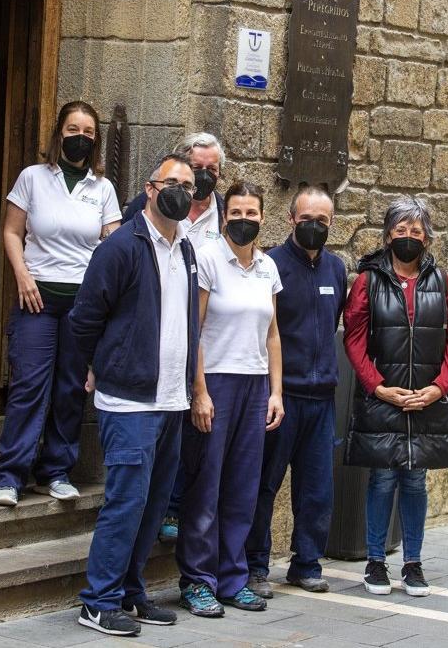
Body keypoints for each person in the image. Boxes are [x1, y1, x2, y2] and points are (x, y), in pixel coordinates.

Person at [69, 153, 200, 637]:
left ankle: (129, 592)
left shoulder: (185, 248)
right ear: (150, 188)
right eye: (173, 183)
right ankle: (98, 601)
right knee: (126, 501)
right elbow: (85, 318)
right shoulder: (121, 247)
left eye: (189, 185)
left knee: (153, 502)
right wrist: (90, 366)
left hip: (171, 399)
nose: (182, 192)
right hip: (129, 401)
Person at [0, 101, 121, 507]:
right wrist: (23, 276)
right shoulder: (33, 177)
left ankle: (55, 471)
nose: (80, 137)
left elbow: (111, 245)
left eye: (88, 132)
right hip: (37, 299)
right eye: (72, 129)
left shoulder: (102, 188)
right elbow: (12, 232)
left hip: (82, 306)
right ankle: (10, 476)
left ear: (95, 140)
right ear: (58, 133)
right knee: (29, 384)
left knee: (69, 389)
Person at [343, 197, 448, 597]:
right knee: (381, 479)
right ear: (388, 234)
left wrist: (438, 387)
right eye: (401, 230)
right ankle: (375, 562)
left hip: (425, 400)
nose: (408, 238)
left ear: (427, 237)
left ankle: (413, 563)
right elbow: (356, 339)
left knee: (415, 480)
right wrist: (377, 386)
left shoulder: (443, 282)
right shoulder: (368, 281)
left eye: (416, 231)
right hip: (384, 397)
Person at [176, 181, 285, 618]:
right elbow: (193, 329)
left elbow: (273, 334)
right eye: (236, 213)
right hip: (215, 384)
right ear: (225, 217)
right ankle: (198, 581)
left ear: (262, 218)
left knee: (242, 487)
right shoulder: (207, 260)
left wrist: (276, 392)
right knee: (206, 485)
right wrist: (198, 390)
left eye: (251, 214)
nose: (243, 220)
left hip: (255, 384)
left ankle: (232, 578)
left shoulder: (267, 267)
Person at [245, 185, 347, 599]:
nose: (314, 227)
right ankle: (254, 566)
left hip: (322, 399)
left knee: (316, 489)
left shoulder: (337, 269)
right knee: (264, 485)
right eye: (306, 219)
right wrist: (274, 391)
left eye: (322, 221)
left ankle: (306, 563)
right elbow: (263, 332)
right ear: (290, 219)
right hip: (281, 398)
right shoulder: (270, 265)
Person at [124, 131, 226, 543]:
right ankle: (155, 510)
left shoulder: (227, 214)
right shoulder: (153, 212)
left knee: (191, 436)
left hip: (207, 343)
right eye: (195, 169)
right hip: (155, 341)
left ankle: (174, 508)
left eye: (210, 170)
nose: (202, 177)